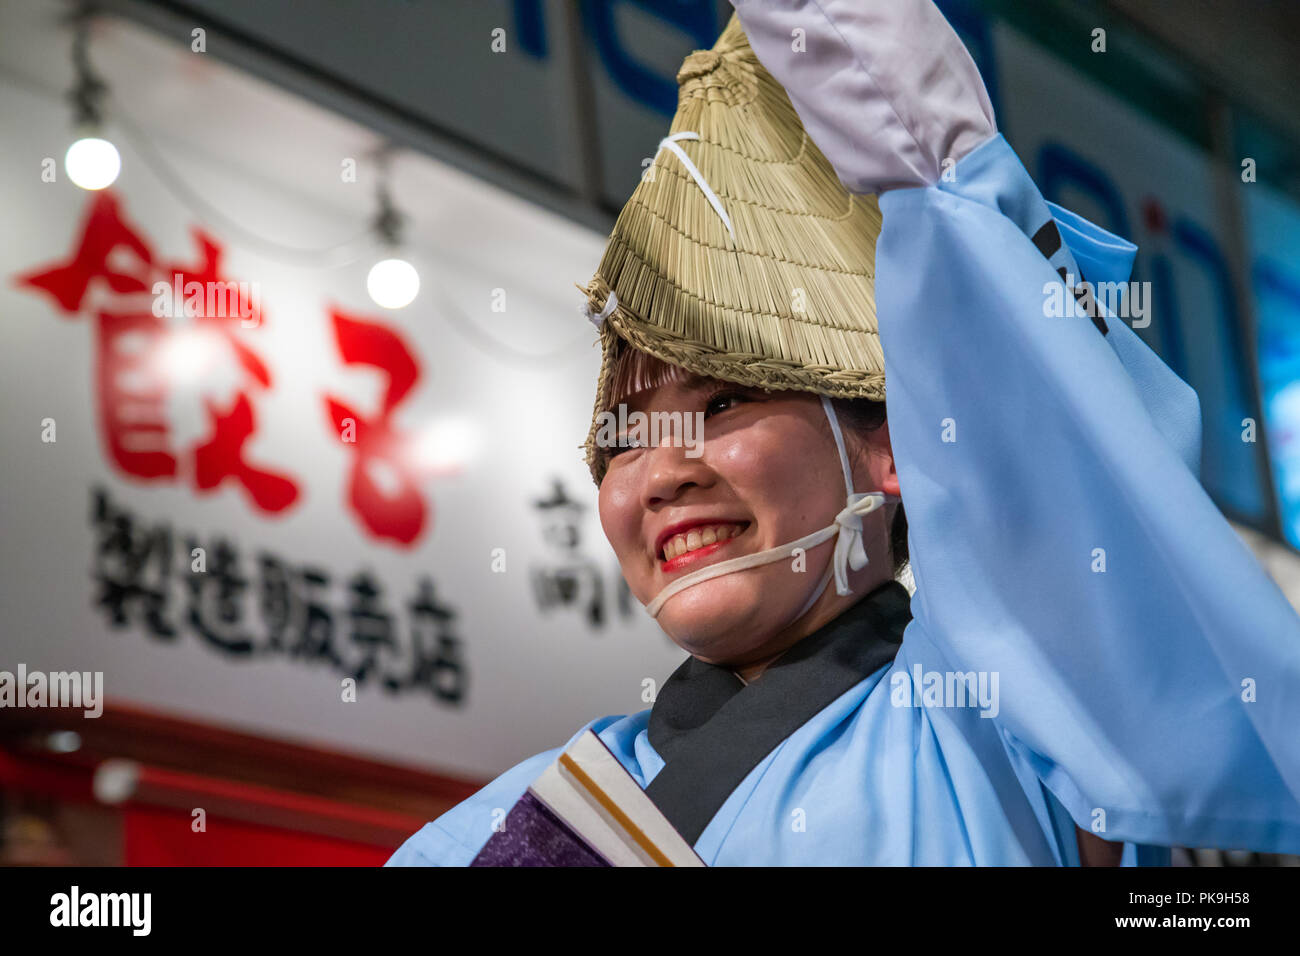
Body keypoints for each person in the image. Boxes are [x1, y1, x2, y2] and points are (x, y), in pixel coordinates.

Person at [388, 1, 1300, 866]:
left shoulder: (1011, 721)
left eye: (721, 408)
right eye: (626, 438)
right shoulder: (487, 834)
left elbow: (995, 317)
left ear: (894, 448)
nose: (660, 475)